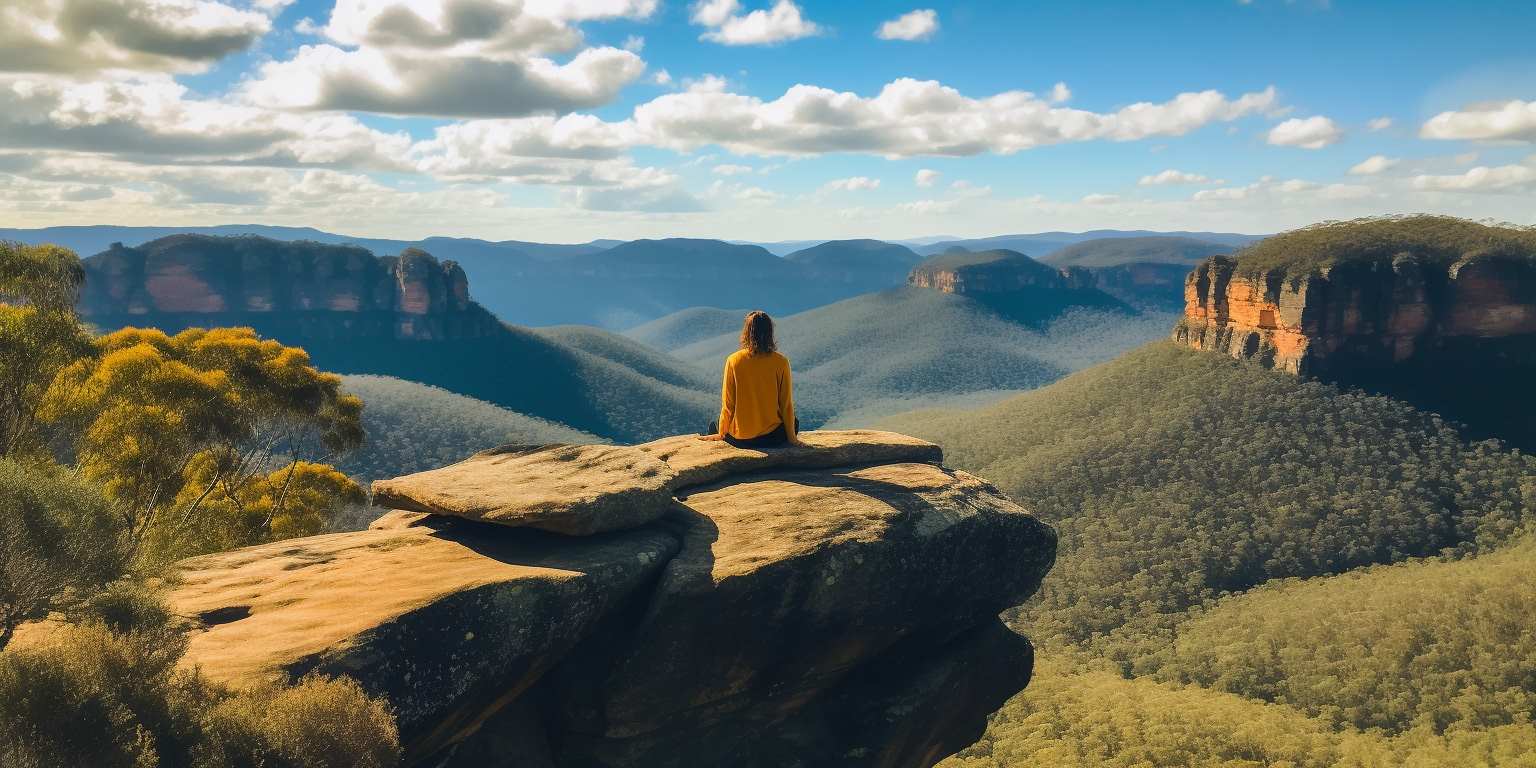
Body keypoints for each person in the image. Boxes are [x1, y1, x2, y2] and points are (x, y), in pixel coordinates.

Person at [699, 310, 805, 448]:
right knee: (794, 422)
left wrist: (721, 434)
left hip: (739, 440)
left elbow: (728, 405)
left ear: (747, 332)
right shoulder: (781, 362)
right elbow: (786, 405)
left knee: (714, 424)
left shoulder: (733, 360)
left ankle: (721, 431)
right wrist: (792, 439)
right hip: (770, 438)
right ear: (770, 332)